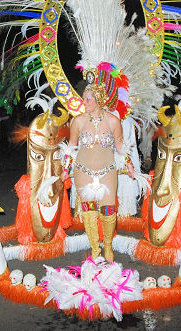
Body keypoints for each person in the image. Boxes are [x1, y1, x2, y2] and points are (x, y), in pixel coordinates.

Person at [61, 83, 134, 262]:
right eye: (83, 98)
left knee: (108, 211)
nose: (84, 102)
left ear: (99, 100)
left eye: (88, 99)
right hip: (83, 171)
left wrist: (129, 165)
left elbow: (120, 146)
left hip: (107, 171)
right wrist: (65, 169)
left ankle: (107, 245)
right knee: (89, 212)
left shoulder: (113, 121)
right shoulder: (77, 121)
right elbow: (71, 146)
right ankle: (95, 249)